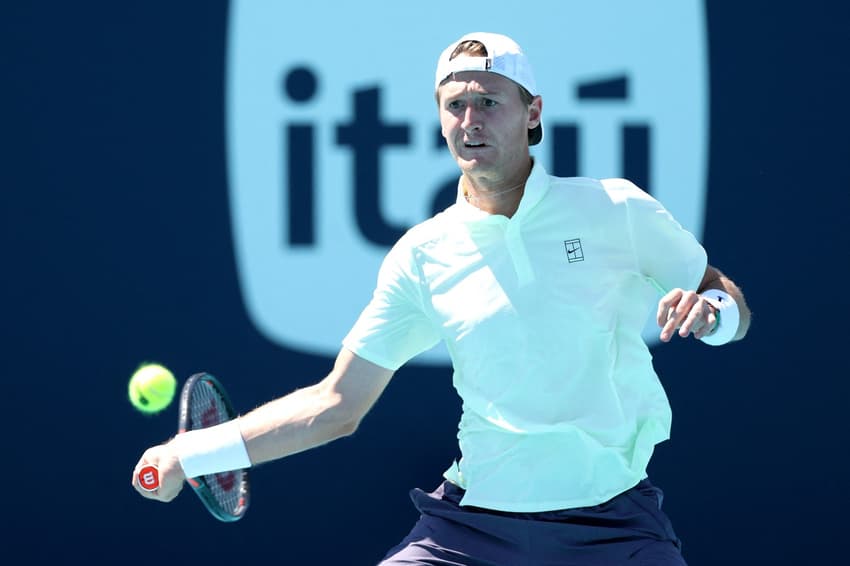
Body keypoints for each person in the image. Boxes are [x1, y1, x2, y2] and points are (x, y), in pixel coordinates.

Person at [133, 32, 751, 565]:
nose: (470, 120)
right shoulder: (422, 255)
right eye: (455, 105)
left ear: (532, 112)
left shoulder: (615, 209)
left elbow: (725, 299)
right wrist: (191, 453)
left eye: (489, 101)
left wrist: (715, 315)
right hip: (472, 529)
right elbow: (335, 405)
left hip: (612, 523)